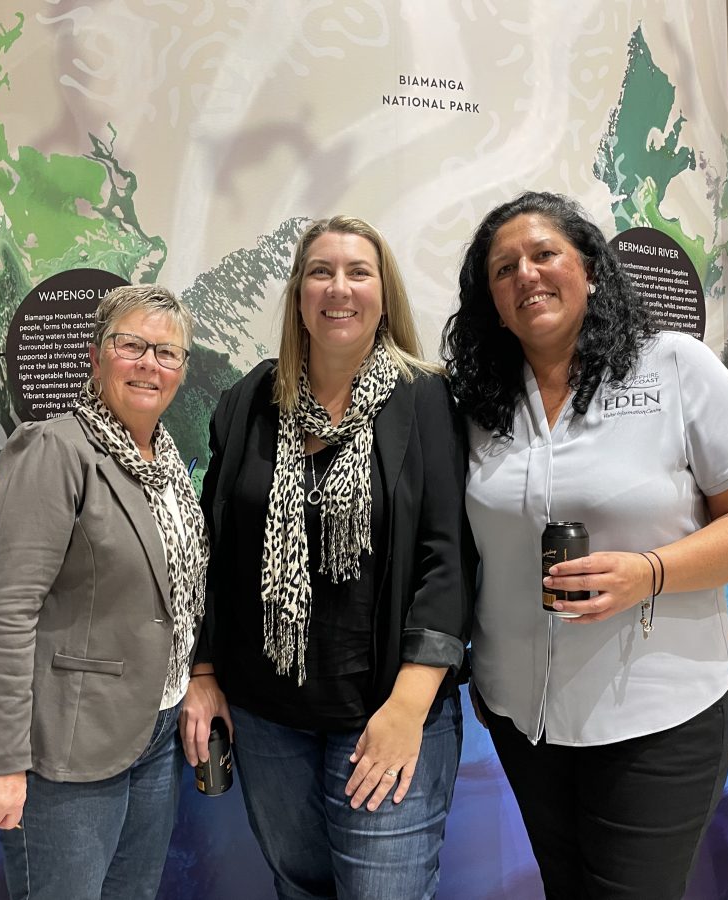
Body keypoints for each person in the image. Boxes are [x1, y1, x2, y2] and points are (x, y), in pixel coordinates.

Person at [441, 191, 728, 899]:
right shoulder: (478, 402)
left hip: (657, 715)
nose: (526, 276)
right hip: (524, 717)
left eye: (545, 255)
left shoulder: (673, 366)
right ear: (493, 302)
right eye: (504, 269)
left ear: (591, 269)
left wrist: (649, 572)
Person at [181, 216, 473, 900]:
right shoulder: (249, 399)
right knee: (300, 888)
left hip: (389, 713)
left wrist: (408, 706)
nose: (338, 288)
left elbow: (448, 558)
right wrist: (202, 667)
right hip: (266, 716)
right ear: (298, 294)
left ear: (383, 291)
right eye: (321, 271)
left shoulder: (426, 398)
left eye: (357, 272)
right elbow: (213, 550)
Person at [0, 284, 211, 900]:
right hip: (68, 745)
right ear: (97, 355)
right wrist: (0, 762)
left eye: (167, 352)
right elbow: (6, 610)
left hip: (154, 732)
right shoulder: (56, 447)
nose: (149, 364)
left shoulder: (166, 461)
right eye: (131, 345)